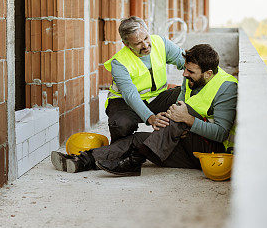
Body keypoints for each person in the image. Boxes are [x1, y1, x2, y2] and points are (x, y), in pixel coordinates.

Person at [51, 43, 237, 176]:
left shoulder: (226, 87)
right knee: (137, 139)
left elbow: (221, 134)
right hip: (185, 145)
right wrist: (166, 117)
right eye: (185, 69)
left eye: (190, 72)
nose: (184, 73)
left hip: (210, 154)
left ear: (209, 73)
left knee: (180, 116)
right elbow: (178, 108)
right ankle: (82, 161)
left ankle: (135, 160)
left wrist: (187, 119)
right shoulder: (190, 78)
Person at [102, 16, 186, 141]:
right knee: (121, 125)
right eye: (138, 43)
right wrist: (150, 118)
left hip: (157, 98)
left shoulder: (161, 43)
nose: (146, 45)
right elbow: (130, 95)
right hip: (124, 103)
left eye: (146, 38)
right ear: (126, 44)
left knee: (190, 96)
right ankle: (121, 151)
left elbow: (188, 64)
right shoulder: (119, 63)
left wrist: (185, 89)